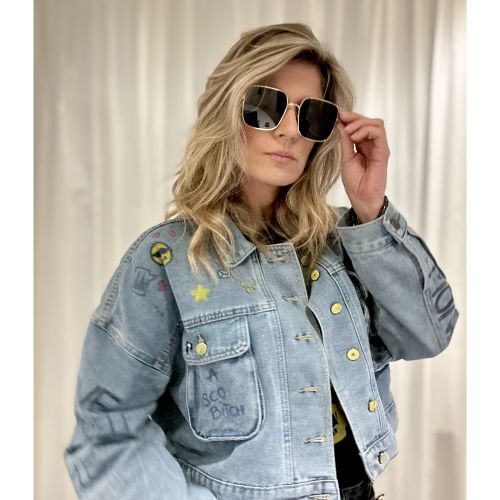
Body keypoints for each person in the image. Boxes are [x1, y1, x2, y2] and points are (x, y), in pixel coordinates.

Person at [64, 23, 459, 500]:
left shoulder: (346, 240)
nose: (290, 130)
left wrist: (371, 209)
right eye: (266, 106)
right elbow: (106, 433)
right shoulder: (167, 260)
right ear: (227, 109)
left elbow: (428, 335)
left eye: (312, 115)